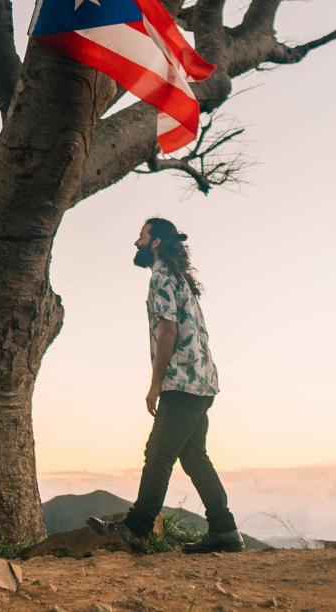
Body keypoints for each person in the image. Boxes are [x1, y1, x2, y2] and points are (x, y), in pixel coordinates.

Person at [87, 218, 244, 553]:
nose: (136, 243)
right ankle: (225, 530)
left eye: (141, 236)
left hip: (182, 383)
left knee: (157, 454)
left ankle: (137, 528)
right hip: (203, 382)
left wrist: (155, 384)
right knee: (194, 457)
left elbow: (168, 331)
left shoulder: (161, 276)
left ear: (155, 242)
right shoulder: (179, 278)